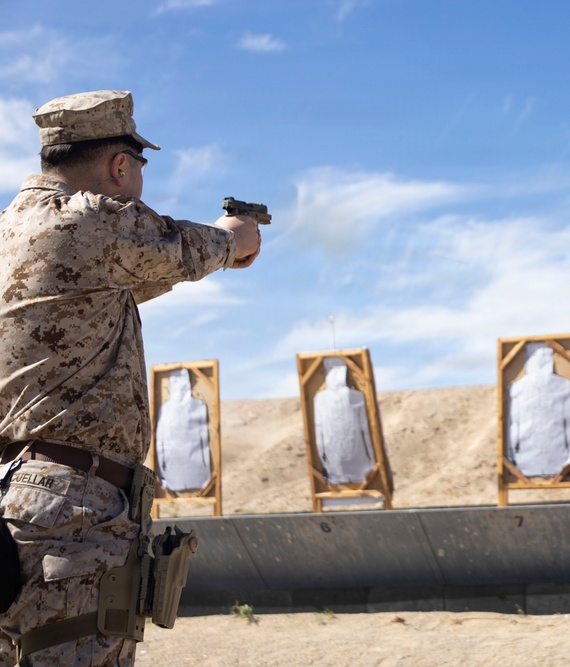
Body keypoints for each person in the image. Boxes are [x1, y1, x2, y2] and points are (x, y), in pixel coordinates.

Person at [0, 90, 261, 666]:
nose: (139, 177)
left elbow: (124, 282)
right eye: (138, 164)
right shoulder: (90, 217)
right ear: (119, 164)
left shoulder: (12, 232)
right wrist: (237, 235)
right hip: (72, 507)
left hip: (18, 498)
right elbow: (195, 245)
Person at [506, 343, 570, 477]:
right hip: (526, 459)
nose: (540, 360)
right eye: (536, 355)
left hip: (556, 456)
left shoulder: (563, 385)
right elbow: (513, 425)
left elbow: (568, 424)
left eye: (544, 355)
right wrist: (511, 454)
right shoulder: (517, 387)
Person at [313, 357, 375, 485]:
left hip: (336, 466)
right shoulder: (356, 396)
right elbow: (367, 431)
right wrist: (373, 460)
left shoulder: (320, 399)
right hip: (358, 463)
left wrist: (324, 463)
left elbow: (319, 438)